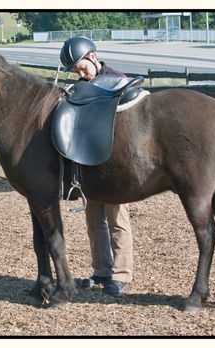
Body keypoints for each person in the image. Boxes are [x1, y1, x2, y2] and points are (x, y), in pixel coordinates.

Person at [59, 36, 134, 296]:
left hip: (114, 165)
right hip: (90, 167)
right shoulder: (81, 89)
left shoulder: (118, 81)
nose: (81, 73)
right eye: (76, 71)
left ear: (93, 56)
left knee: (117, 220)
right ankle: (102, 269)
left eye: (82, 67)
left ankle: (122, 273)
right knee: (94, 222)